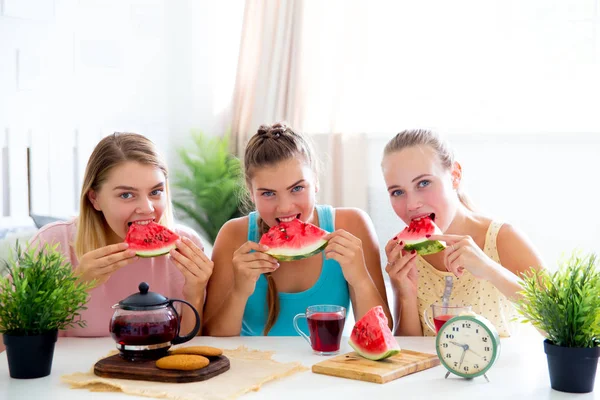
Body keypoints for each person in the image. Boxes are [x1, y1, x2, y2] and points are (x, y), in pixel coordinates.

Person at [1, 132, 213, 353]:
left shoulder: (185, 247)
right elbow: (7, 343)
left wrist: (195, 291)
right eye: (126, 195)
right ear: (94, 198)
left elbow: (188, 352)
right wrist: (72, 287)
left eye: (156, 192)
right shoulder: (53, 243)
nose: (147, 208)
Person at [203, 123, 392, 336]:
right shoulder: (233, 235)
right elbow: (212, 339)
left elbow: (380, 335)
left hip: (326, 366)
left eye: (297, 188)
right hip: (254, 367)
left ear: (316, 181)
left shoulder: (352, 225)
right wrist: (239, 292)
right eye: (267, 193)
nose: (285, 207)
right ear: (251, 192)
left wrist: (360, 279)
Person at [381, 129, 545, 337]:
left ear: (455, 176)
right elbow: (410, 350)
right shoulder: (405, 252)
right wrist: (405, 293)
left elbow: (563, 328)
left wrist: (489, 270)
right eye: (397, 192)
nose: (412, 204)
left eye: (423, 183)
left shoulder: (502, 239)